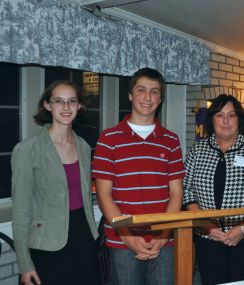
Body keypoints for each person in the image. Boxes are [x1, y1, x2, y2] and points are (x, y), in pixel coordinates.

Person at [92, 67, 184, 285]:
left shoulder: (171, 140)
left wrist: (163, 233)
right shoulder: (108, 139)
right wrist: (127, 235)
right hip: (122, 240)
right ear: (131, 95)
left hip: (164, 239)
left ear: (160, 98)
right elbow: (104, 195)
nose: (147, 97)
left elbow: (176, 192)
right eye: (141, 90)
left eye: (154, 91)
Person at [183, 94, 244, 285]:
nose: (226, 121)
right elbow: (186, 189)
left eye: (231, 115)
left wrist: (242, 228)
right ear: (211, 120)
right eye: (220, 115)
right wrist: (206, 225)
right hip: (208, 237)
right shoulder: (198, 150)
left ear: (239, 120)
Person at [11, 81, 99, 285]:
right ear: (47, 106)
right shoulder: (27, 150)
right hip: (47, 246)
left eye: (72, 101)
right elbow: (21, 213)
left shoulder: (84, 147)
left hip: (84, 240)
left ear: (79, 106)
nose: (66, 107)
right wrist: (25, 265)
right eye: (59, 101)